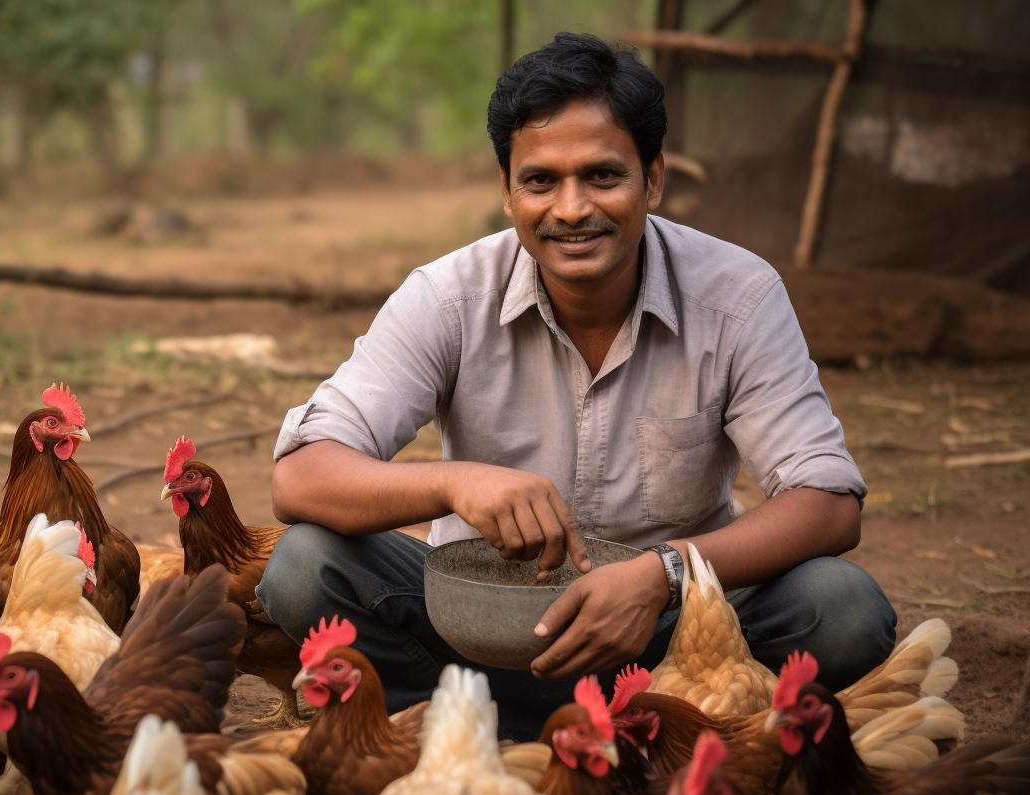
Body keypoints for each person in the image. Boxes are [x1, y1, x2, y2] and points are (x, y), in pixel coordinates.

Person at [257, 32, 895, 741]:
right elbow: (301, 477)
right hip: (482, 627)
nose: (570, 209)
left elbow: (829, 505)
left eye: (602, 176)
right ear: (506, 191)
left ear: (653, 180)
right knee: (304, 567)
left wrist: (662, 574)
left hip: (671, 638)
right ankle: (504, 727)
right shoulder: (446, 297)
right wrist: (455, 483)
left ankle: (548, 726)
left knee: (844, 611)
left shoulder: (738, 296)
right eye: (540, 181)